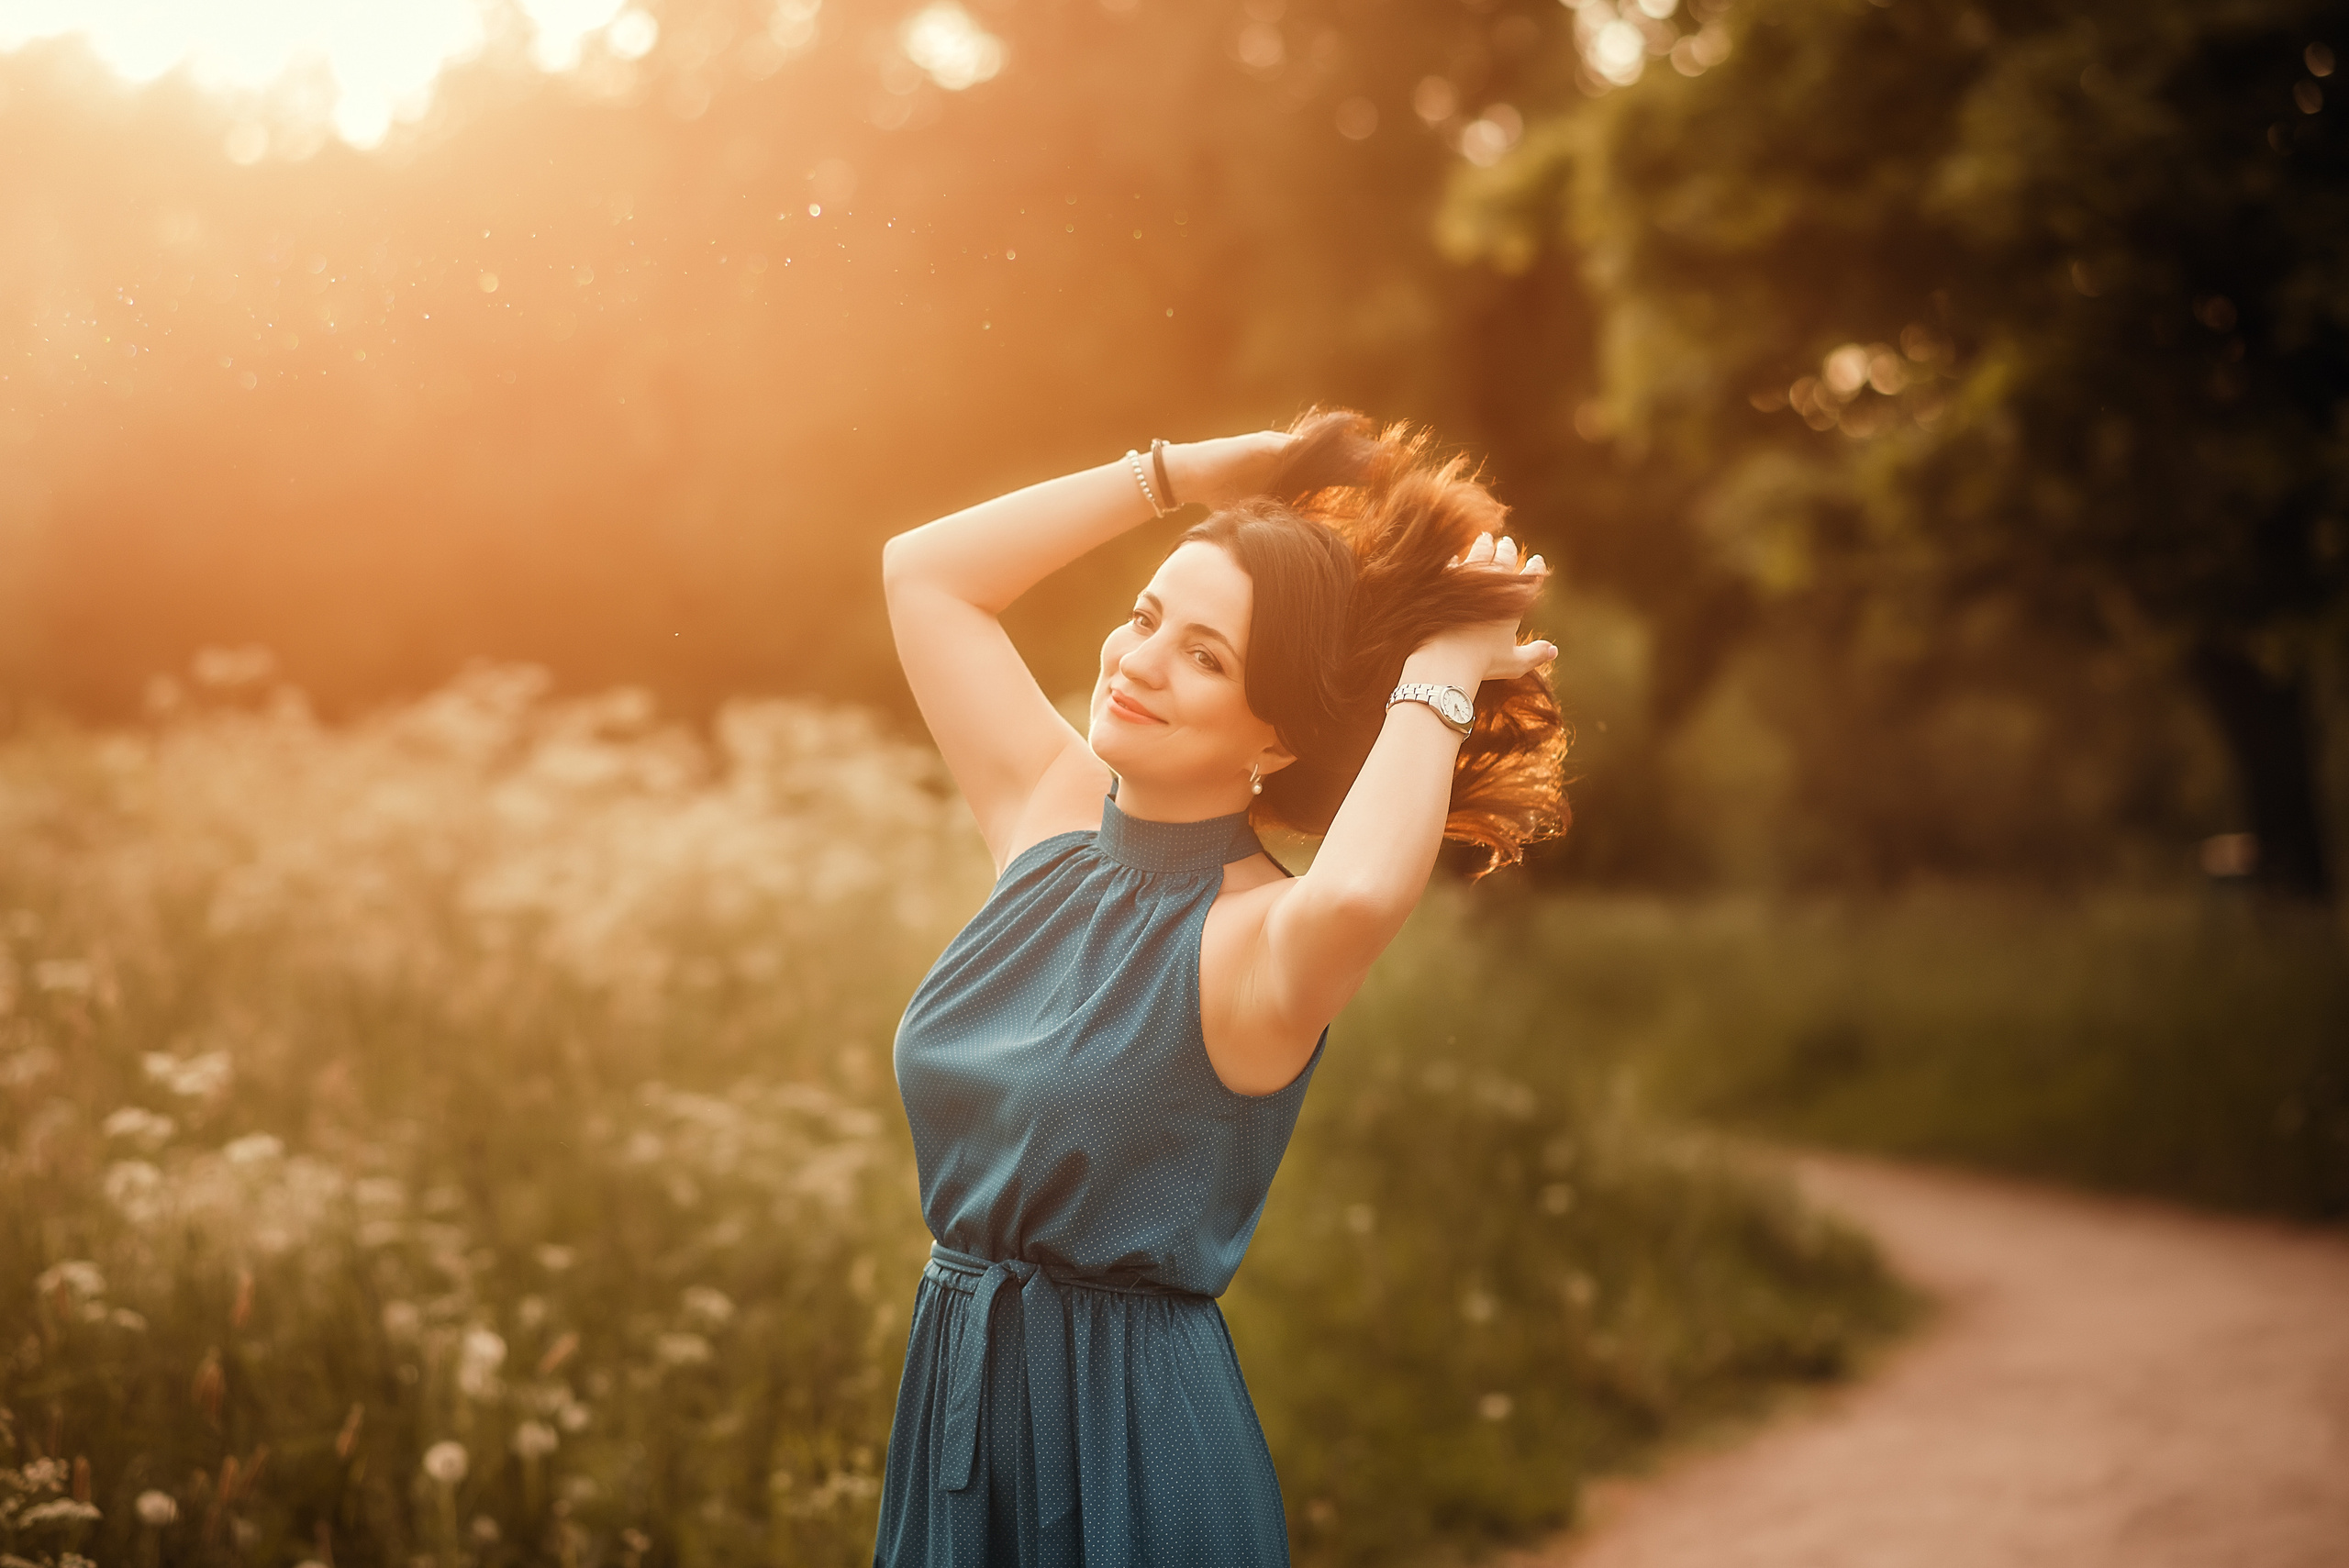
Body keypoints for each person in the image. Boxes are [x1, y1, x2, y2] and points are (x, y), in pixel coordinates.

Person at [873, 410, 1569, 1566]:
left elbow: (1354, 897)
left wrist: (1441, 665)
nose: (1140, 661)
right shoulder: (1047, 810)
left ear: (1275, 738)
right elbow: (926, 575)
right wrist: (1180, 474)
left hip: (1131, 1455)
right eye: (1147, 617)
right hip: (957, 1403)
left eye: (1207, 655)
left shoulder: (1259, 937)